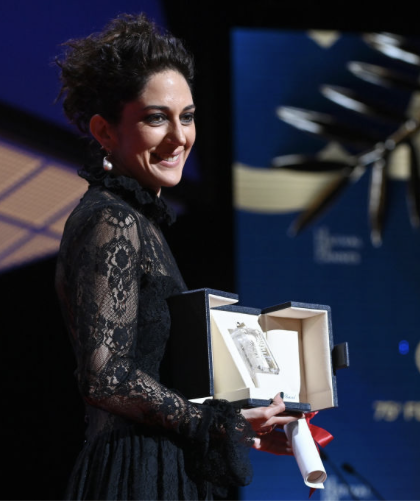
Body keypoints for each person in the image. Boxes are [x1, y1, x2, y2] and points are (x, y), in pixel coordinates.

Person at [55, 13, 301, 501]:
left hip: (165, 464)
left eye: (186, 116)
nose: (179, 137)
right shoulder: (113, 221)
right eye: (156, 118)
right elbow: (106, 377)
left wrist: (241, 426)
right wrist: (218, 423)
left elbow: (158, 382)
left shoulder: (139, 222)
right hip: (137, 474)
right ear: (105, 130)